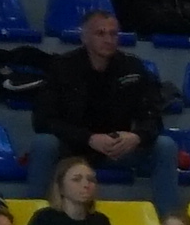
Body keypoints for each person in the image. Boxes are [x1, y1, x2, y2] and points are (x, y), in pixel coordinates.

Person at [31, 11, 174, 193]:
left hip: (117, 150)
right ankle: (36, 207)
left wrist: (137, 136)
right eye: (100, 33)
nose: (108, 40)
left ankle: (170, 212)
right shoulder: (62, 67)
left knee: (165, 146)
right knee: (43, 143)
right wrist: (89, 139)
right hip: (72, 149)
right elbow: (42, 121)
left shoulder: (133, 67)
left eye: (113, 34)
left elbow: (153, 116)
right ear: (84, 37)